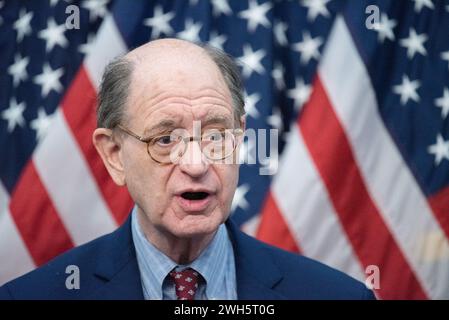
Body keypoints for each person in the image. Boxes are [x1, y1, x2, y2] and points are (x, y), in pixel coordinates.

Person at [0, 39, 375, 300]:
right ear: (114, 154)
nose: (197, 164)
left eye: (215, 136)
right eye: (165, 140)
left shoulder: (338, 295)